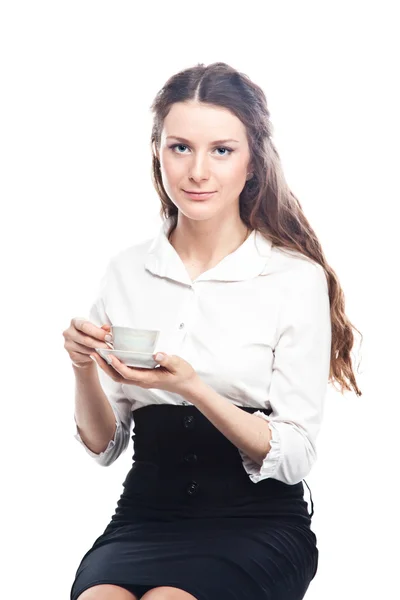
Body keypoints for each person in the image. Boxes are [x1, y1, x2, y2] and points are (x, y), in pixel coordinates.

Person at [64, 62, 362, 600]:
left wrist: (192, 389)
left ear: (252, 164)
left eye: (221, 150)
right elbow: (105, 446)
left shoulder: (294, 278)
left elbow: (295, 455)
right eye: (180, 147)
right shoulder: (126, 270)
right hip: (146, 514)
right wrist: (83, 368)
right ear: (158, 155)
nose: (198, 171)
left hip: (255, 522)